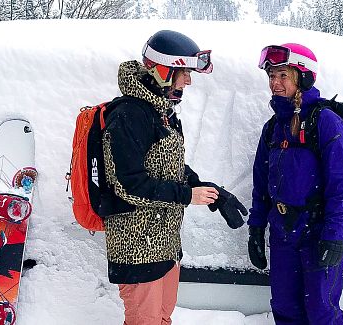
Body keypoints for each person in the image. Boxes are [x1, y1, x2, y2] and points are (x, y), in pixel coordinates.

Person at [101, 30, 245, 325]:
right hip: (137, 248)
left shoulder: (162, 112)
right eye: (184, 73)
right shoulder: (129, 115)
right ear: (163, 71)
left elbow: (172, 167)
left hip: (165, 243)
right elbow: (128, 185)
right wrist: (185, 196)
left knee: (163, 318)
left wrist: (208, 190)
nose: (188, 81)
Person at [247, 43, 343, 324]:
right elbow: (261, 185)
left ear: (302, 78)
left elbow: (339, 187)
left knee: (322, 313)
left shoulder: (327, 123)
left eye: (283, 76)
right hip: (283, 234)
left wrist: (333, 235)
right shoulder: (272, 127)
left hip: (318, 231)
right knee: (285, 310)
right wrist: (256, 230)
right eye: (271, 76)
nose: (275, 83)